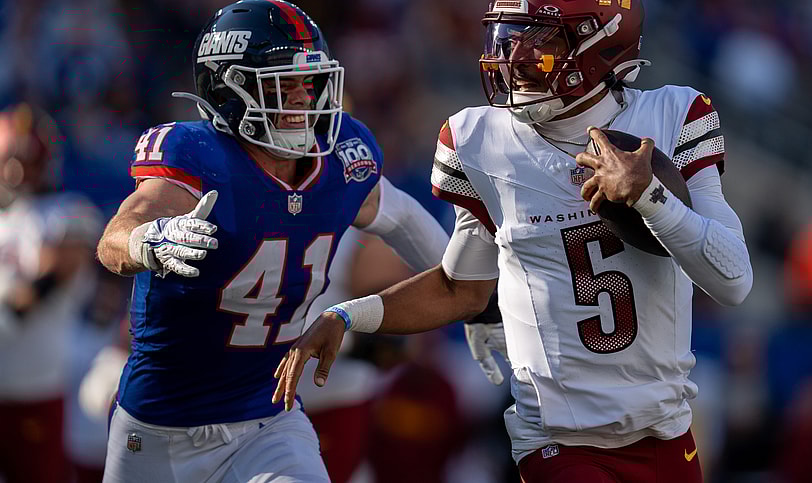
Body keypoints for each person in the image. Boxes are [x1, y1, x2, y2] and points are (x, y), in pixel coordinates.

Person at [276, 1, 754, 482]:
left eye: (539, 36)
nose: (514, 54)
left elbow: (733, 281)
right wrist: (348, 314)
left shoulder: (672, 116)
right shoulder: (477, 140)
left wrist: (650, 198)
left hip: (665, 431)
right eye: (507, 34)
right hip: (556, 439)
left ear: (599, 42)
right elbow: (459, 288)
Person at [95, 2, 448, 481]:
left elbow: (400, 215)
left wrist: (468, 300)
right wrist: (146, 243)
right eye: (284, 83)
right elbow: (118, 234)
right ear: (228, 88)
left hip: (270, 422)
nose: (304, 98)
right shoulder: (195, 155)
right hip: (159, 430)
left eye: (311, 81)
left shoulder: (341, 158)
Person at [0, 103, 103, 483]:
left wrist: (7, 316)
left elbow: (46, 280)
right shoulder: (7, 217)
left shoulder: (68, 212)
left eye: (25, 157)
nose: (16, 169)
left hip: (38, 384)